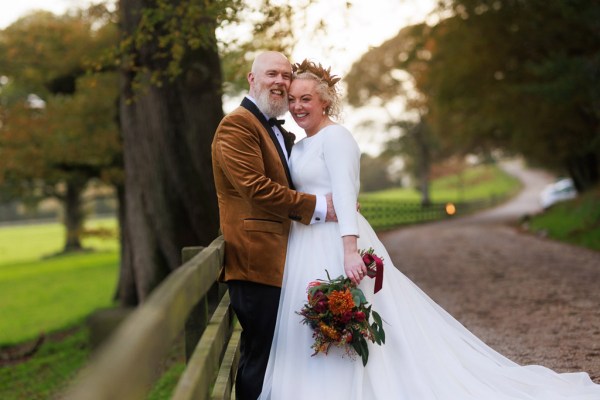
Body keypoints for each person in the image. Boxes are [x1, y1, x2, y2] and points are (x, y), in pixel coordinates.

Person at [258, 59, 600, 399]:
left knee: (349, 318)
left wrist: (350, 251)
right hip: (305, 242)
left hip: (336, 243)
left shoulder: (337, 138)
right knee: (315, 324)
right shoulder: (300, 146)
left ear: (325, 101)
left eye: (306, 99)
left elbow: (346, 197)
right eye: (293, 99)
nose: (297, 106)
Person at [211, 52, 336, 400]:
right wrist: (320, 207)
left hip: (284, 262)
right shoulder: (236, 125)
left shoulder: (278, 131)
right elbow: (255, 188)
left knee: (283, 358)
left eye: (286, 75)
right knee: (260, 357)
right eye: (272, 74)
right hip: (255, 264)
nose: (280, 81)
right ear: (252, 79)